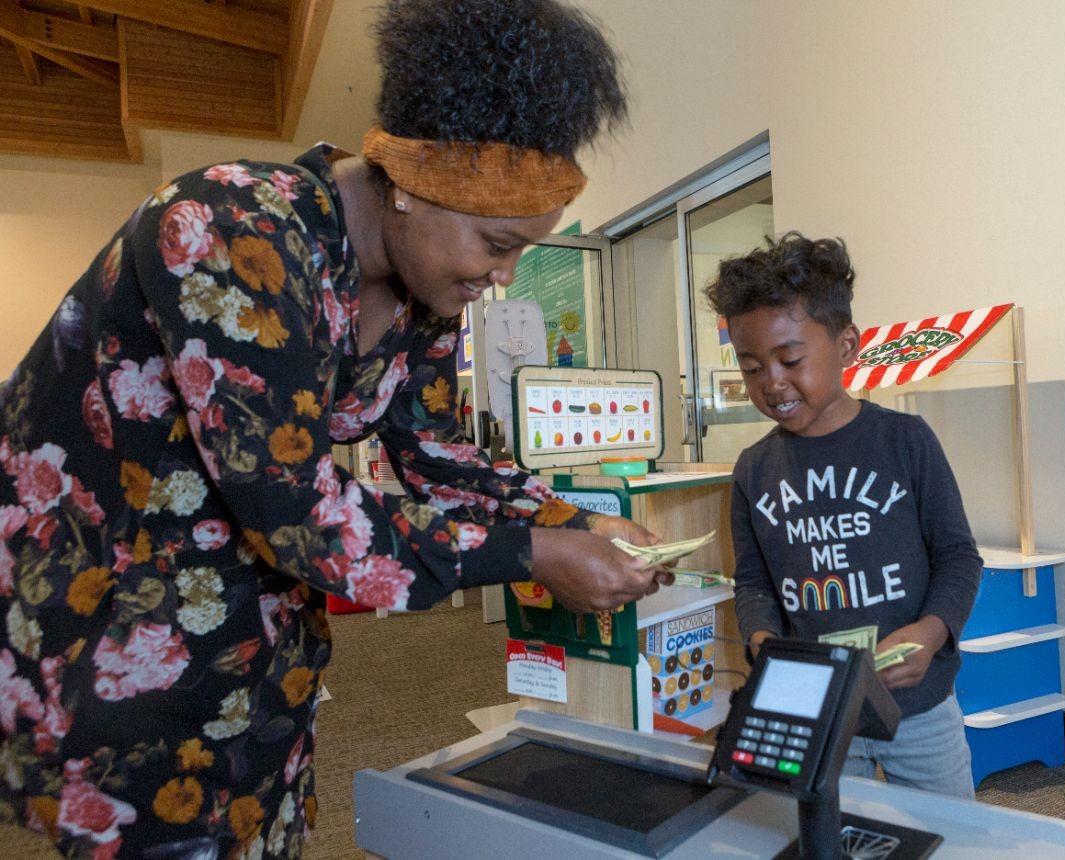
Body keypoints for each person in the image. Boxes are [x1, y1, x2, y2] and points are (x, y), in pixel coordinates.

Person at [0, 1, 672, 856]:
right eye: (496, 244)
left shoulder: (426, 294)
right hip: (111, 627)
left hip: (251, 638)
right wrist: (531, 555)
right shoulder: (227, 227)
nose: (501, 278)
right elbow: (296, 510)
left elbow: (438, 454)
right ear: (408, 180)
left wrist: (571, 519)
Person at [705, 231, 982, 799]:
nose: (772, 383)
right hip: (816, 708)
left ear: (848, 345)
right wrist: (760, 637)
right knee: (830, 837)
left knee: (951, 837)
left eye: (791, 359)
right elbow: (754, 581)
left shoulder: (905, 440)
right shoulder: (753, 469)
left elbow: (958, 557)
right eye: (752, 367)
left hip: (918, 706)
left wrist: (930, 636)